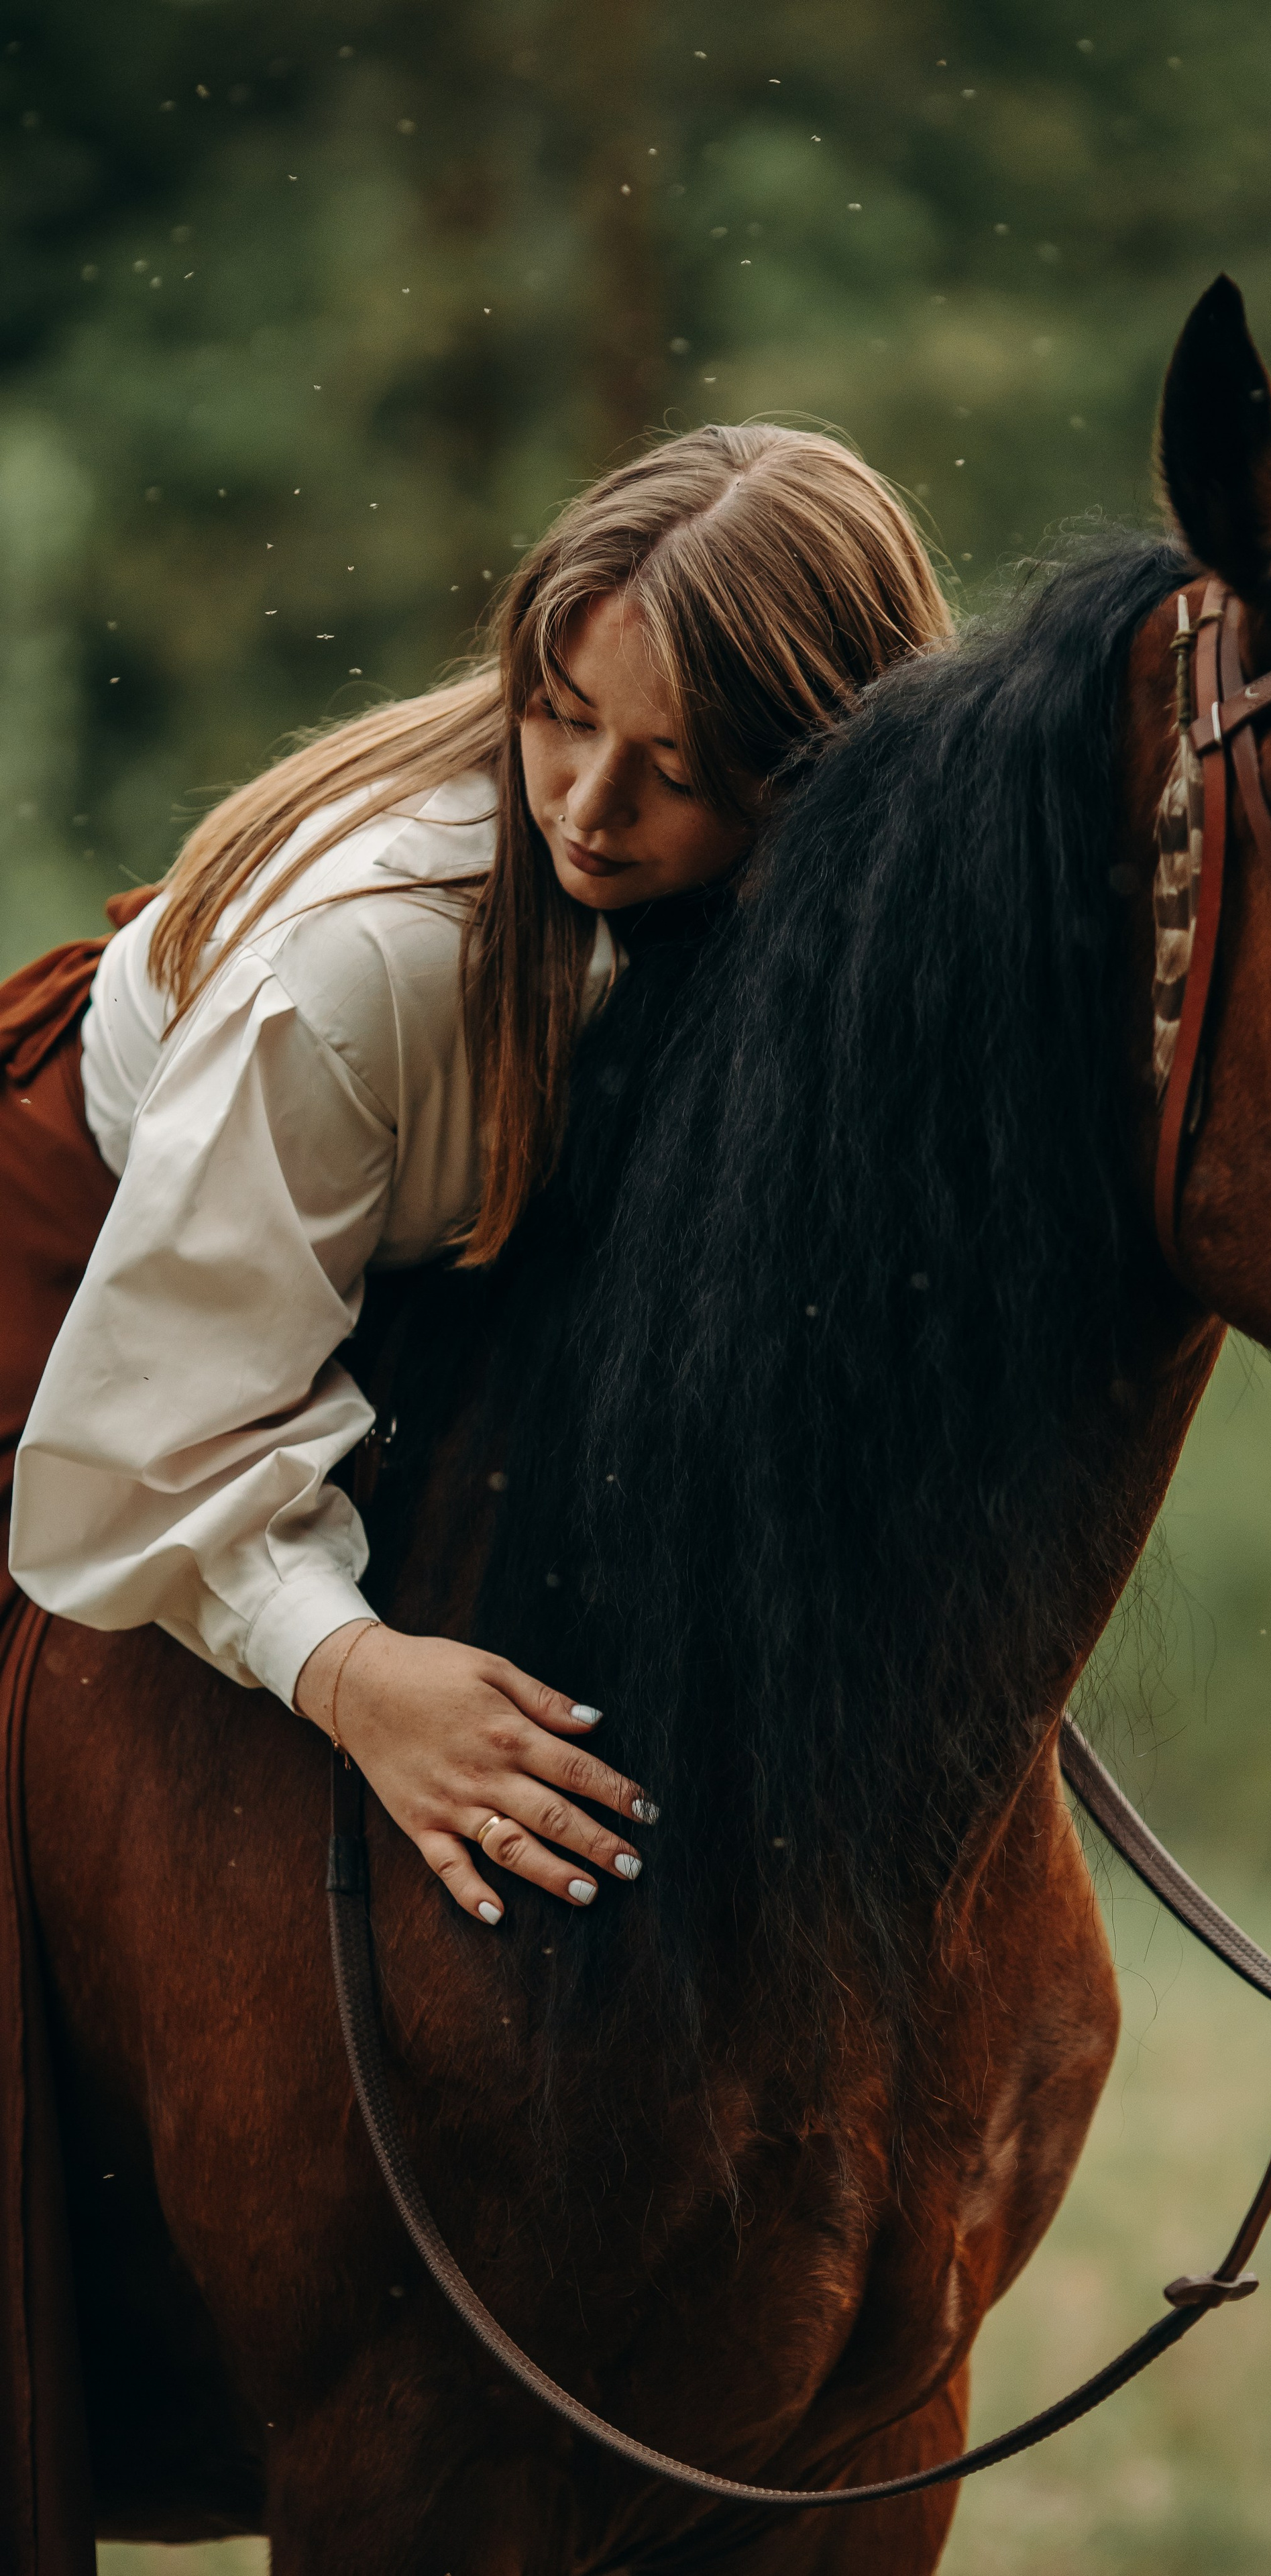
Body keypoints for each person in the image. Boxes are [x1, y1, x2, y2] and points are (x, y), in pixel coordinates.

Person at [3, 421, 952, 1931]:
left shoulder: (821, 904)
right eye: (561, 717)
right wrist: (356, 1673)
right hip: (79, 1266)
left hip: (390, 1266)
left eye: (677, 771)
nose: (583, 807)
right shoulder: (367, 960)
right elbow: (151, 1438)